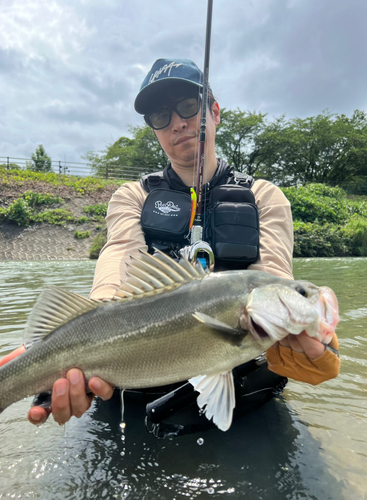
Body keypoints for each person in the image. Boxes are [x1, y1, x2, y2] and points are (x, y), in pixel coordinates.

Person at [1, 58, 340, 427]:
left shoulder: (265, 196)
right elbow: (116, 267)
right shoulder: (132, 196)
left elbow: (271, 275)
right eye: (160, 115)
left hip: (246, 397)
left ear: (215, 111)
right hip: (131, 392)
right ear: (154, 130)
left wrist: (302, 331)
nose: (177, 122)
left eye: (189, 107)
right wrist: (54, 351)